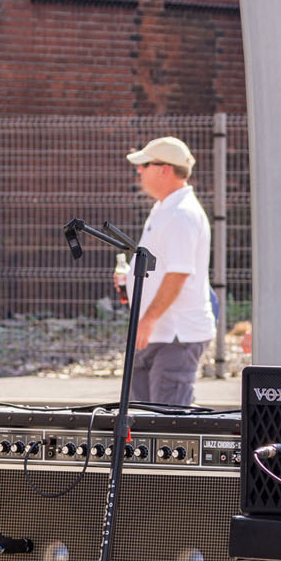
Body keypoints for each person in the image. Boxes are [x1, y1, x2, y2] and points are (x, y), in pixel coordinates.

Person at [115, 136, 216, 406]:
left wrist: (147, 320)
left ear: (165, 169)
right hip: (159, 333)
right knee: (145, 419)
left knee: (168, 419)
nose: (139, 170)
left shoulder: (181, 214)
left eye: (144, 164)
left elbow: (178, 274)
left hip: (175, 334)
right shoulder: (165, 208)